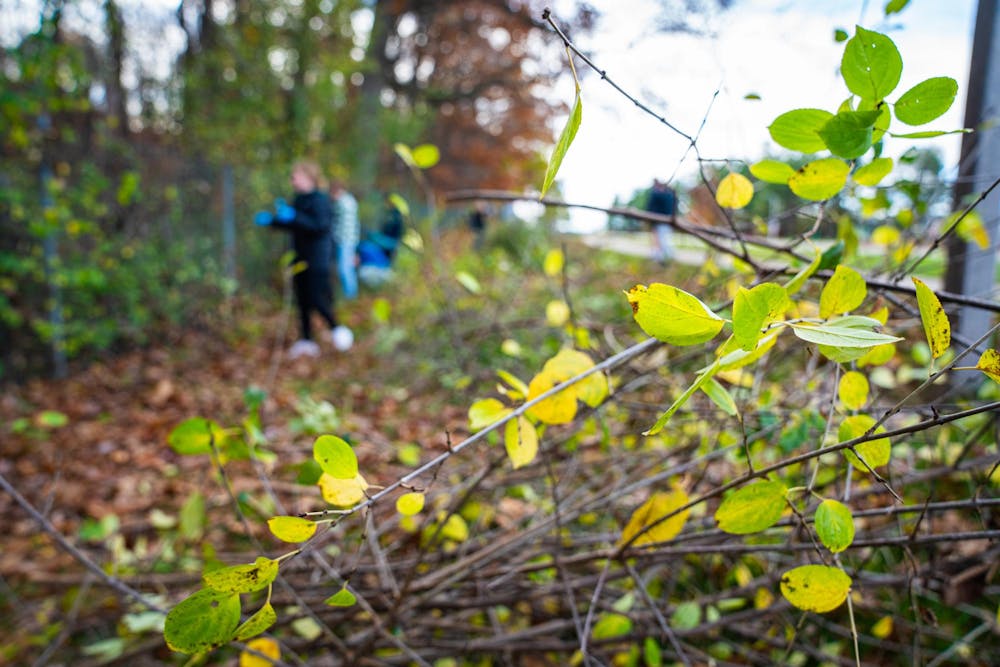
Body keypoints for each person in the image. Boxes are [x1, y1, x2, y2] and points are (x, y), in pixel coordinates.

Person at [255, 161, 353, 358]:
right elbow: (294, 224)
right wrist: (273, 221)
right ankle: (307, 340)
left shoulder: (321, 200)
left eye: (295, 176)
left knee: (317, 297)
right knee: (302, 301)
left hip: (318, 258)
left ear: (308, 177)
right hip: (299, 257)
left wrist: (294, 216)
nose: (293, 180)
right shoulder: (299, 200)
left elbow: (319, 226)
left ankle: (337, 329)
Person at [356, 196, 405, 288]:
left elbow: (393, 243)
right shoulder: (390, 219)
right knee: (364, 246)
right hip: (379, 256)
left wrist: (375, 237)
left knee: (365, 247)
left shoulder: (397, 221)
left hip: (384, 262)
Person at [330, 179, 360, 301]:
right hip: (348, 241)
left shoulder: (344, 202)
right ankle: (350, 296)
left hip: (346, 241)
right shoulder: (349, 201)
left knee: (345, 269)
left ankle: (351, 297)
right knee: (346, 268)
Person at [645, 178, 676, 264]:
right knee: (660, 239)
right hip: (664, 221)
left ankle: (666, 257)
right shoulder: (669, 195)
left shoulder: (657, 194)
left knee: (663, 240)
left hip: (660, 221)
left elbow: (650, 207)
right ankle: (660, 257)